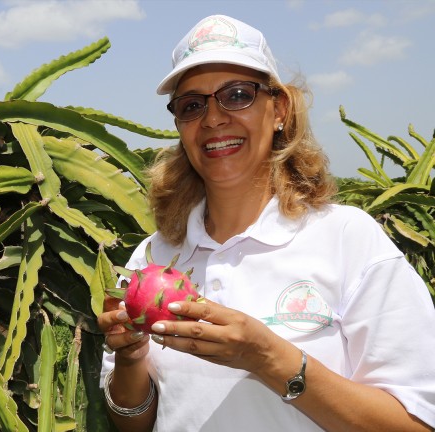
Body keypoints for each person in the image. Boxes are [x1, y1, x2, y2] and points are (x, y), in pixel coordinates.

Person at [97, 14, 435, 432]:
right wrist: (131, 358)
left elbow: (416, 424)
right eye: (191, 105)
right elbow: (135, 424)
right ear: (179, 125)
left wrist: (265, 356)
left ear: (279, 109)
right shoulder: (154, 257)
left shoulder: (349, 240)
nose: (214, 119)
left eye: (237, 95)